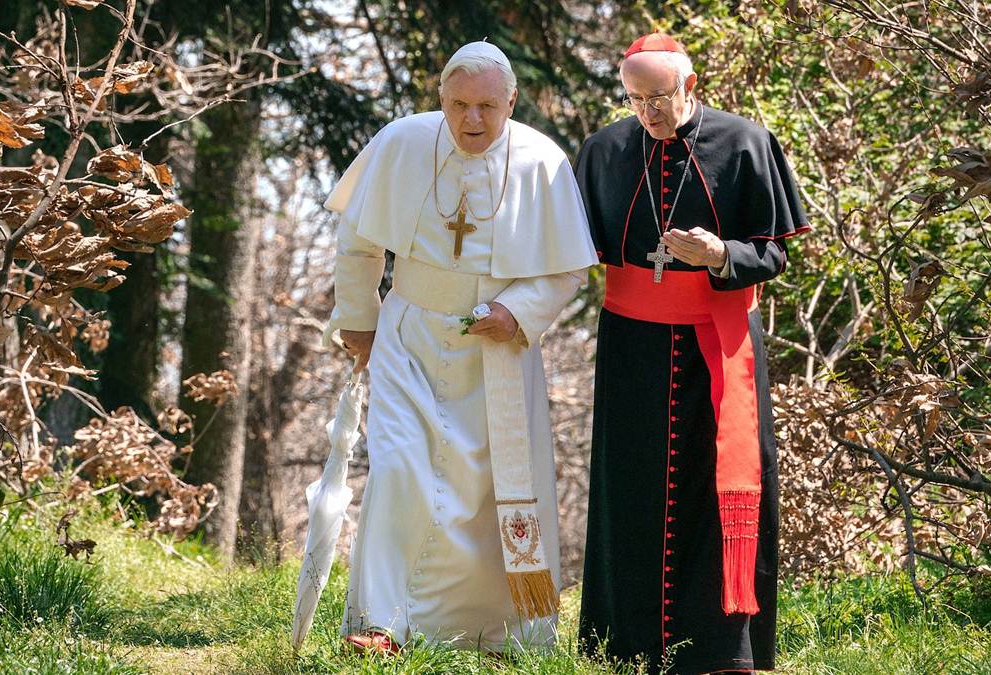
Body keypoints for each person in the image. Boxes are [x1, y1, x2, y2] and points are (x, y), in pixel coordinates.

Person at [322, 40, 597, 654]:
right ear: (440, 99)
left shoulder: (541, 161)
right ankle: (382, 624)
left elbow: (564, 270)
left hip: (497, 351)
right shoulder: (401, 143)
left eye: (487, 107)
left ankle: (493, 634)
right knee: (397, 470)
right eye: (459, 105)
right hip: (409, 336)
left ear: (512, 102)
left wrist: (515, 311)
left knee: (487, 492)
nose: (472, 121)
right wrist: (359, 320)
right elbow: (359, 241)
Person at [574, 33, 810, 673]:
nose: (648, 113)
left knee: (720, 486)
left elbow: (774, 252)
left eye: (659, 97)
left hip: (720, 340)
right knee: (631, 487)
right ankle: (626, 645)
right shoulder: (603, 151)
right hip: (631, 347)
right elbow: (569, 246)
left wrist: (720, 255)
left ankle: (721, 650)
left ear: (689, 85)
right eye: (635, 100)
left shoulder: (744, 143)